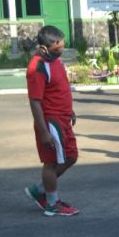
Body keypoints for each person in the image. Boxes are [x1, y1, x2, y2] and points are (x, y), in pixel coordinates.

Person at [24, 26, 80, 216]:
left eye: (62, 45)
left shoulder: (55, 61)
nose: (61, 49)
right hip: (51, 122)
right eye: (57, 47)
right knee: (51, 162)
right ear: (44, 48)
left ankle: (39, 190)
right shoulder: (37, 67)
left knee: (71, 156)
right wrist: (44, 132)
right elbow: (35, 101)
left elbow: (59, 89)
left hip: (63, 118)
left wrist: (69, 110)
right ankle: (52, 203)